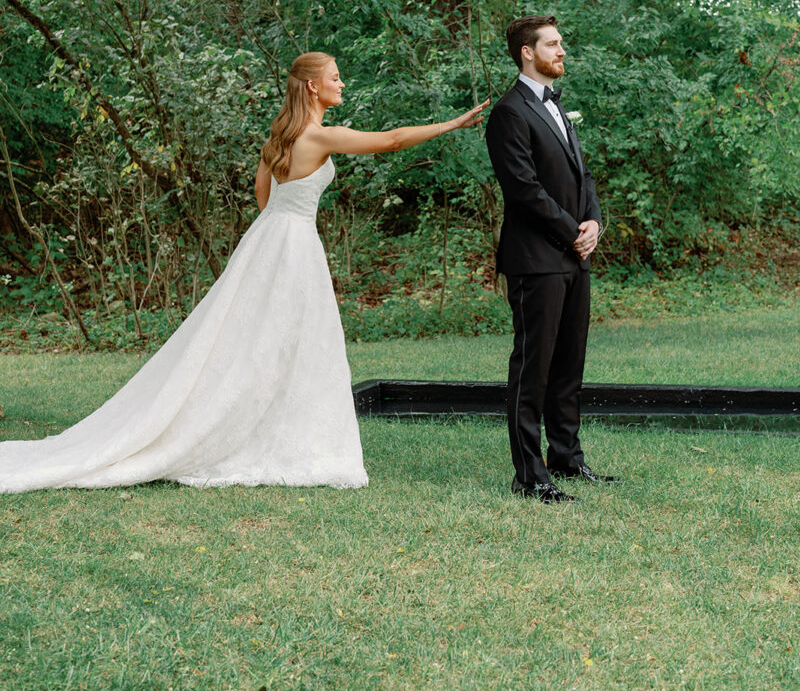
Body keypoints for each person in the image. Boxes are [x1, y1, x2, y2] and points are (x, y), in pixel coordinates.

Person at [0, 52, 487, 493]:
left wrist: (277, 230)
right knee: (289, 342)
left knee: (253, 338)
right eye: (335, 77)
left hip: (267, 239)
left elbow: (262, 195)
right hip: (294, 244)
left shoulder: (280, 136)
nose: (343, 83)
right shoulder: (317, 135)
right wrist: (450, 125)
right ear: (313, 87)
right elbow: (393, 140)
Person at [484, 16, 616, 504]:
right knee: (533, 367)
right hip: (535, 259)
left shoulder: (555, 106)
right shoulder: (509, 113)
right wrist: (571, 232)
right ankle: (530, 474)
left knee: (568, 365)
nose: (562, 51)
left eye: (560, 43)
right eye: (553, 44)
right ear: (527, 52)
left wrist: (594, 224)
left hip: (573, 258)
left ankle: (567, 456)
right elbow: (523, 191)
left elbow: (584, 178)